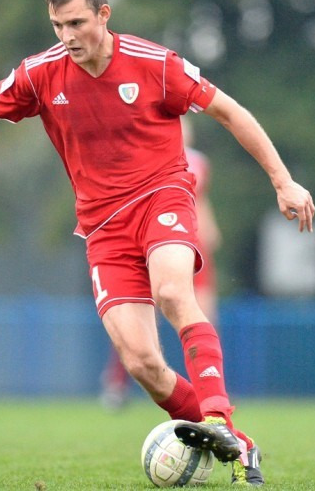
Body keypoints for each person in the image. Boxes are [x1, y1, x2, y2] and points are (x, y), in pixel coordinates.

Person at [0, 0, 315, 486]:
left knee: (173, 293)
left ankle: (217, 417)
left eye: (77, 23)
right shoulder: (41, 73)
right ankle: (241, 446)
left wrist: (284, 182)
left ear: (103, 15)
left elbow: (230, 112)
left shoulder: (155, 64)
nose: (67, 36)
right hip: (103, 227)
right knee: (141, 362)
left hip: (162, 197)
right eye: (58, 25)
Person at [99, 117, 221, 410]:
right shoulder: (145, 155)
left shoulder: (199, 163)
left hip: (192, 246)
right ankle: (117, 383)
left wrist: (210, 230)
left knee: (206, 316)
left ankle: (213, 392)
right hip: (158, 245)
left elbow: (200, 200)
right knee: (140, 323)